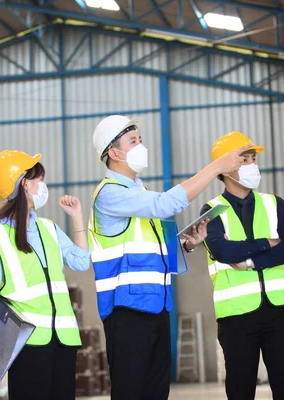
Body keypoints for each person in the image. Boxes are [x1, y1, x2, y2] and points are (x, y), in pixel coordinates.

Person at [88, 115, 247, 399]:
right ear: (113, 152)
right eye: (133, 141)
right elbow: (166, 205)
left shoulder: (139, 191)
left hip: (156, 307)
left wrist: (185, 245)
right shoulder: (110, 194)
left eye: (140, 140)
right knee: (131, 393)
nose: (141, 146)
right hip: (127, 311)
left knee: (157, 393)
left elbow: (151, 250)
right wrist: (215, 168)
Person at [0, 150, 91, 400]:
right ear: (25, 183)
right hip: (27, 343)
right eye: (39, 179)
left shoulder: (49, 228)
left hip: (64, 339)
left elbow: (81, 262)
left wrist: (77, 217)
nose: (42, 185)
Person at [201, 131, 284, 400]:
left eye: (253, 158)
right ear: (225, 169)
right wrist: (267, 242)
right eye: (243, 159)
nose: (251, 164)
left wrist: (249, 261)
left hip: (278, 311)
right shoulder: (211, 210)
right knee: (240, 390)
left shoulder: (274, 204)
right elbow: (223, 251)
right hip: (236, 316)